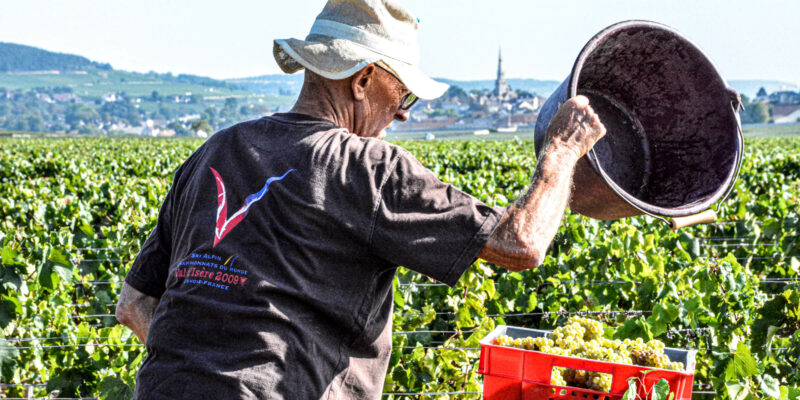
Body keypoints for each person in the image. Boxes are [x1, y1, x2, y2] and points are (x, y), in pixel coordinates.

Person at [115, 0, 606, 399]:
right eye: (404, 96)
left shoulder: (215, 151)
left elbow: (134, 304)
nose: (404, 115)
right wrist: (562, 152)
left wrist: (207, 377)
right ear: (363, 79)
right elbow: (522, 243)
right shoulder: (367, 167)